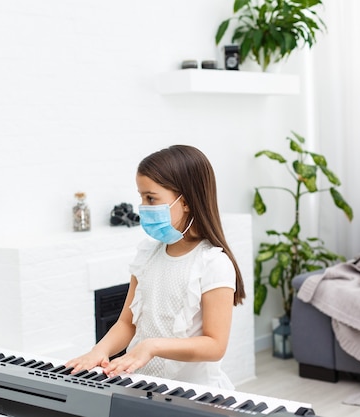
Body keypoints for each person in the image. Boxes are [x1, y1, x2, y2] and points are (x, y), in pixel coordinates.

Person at [65, 145, 246, 389]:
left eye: (151, 198)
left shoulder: (213, 263)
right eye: (141, 197)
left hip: (194, 394)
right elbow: (127, 323)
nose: (143, 208)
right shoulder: (147, 254)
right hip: (144, 386)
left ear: (186, 202)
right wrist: (98, 351)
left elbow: (215, 345)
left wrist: (152, 346)